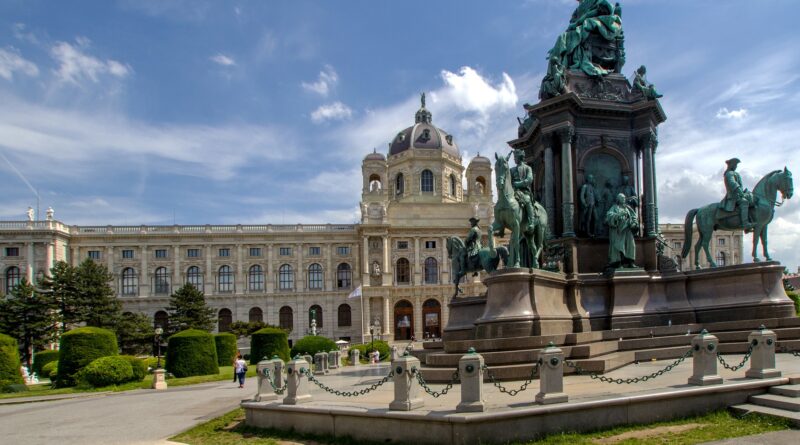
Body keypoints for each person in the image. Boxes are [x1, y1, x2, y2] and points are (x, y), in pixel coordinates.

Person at [721, 158, 754, 231]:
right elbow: (733, 183)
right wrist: (740, 192)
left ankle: (750, 221)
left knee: (751, 200)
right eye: (735, 165)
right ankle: (745, 223)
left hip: (738, 194)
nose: (736, 166)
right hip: (733, 197)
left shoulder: (734, 173)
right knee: (744, 202)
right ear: (732, 165)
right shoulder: (729, 173)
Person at [606, 193, 637, 268]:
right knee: (619, 246)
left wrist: (634, 223)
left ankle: (631, 262)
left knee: (631, 245)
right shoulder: (614, 207)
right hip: (618, 230)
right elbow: (609, 216)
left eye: (624, 198)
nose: (624, 199)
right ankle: (618, 263)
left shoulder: (627, 208)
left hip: (627, 229)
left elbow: (634, 217)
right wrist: (618, 215)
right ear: (618, 199)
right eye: (622, 198)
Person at [510, 149, 535, 229]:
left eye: (515, 157)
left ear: (520, 157)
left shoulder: (528, 168)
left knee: (527, 201)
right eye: (514, 157)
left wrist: (519, 184)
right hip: (514, 192)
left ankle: (532, 222)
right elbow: (509, 181)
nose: (514, 159)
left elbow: (529, 179)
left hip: (524, 192)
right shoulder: (512, 170)